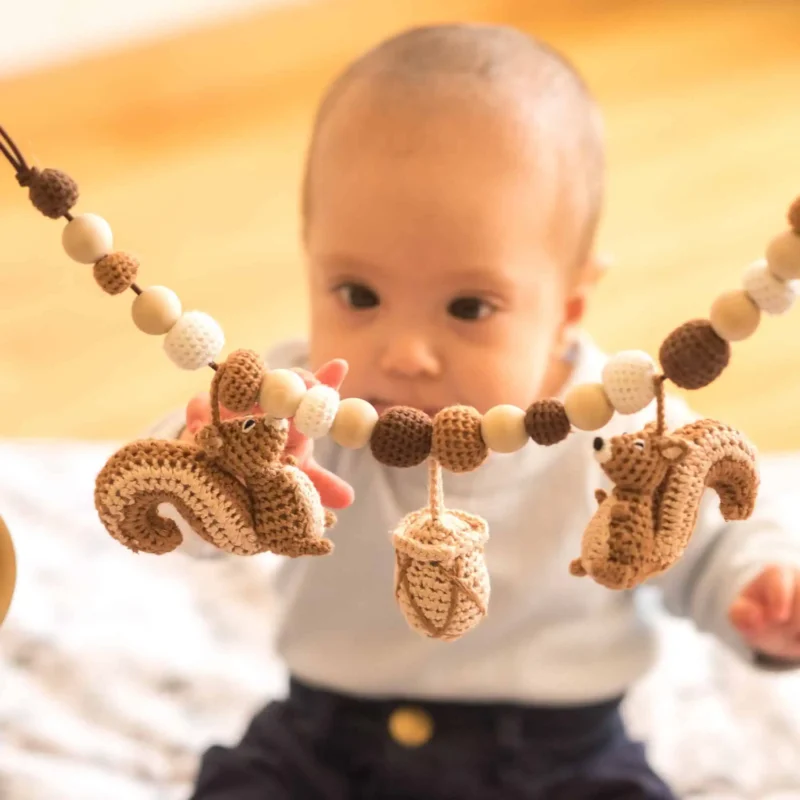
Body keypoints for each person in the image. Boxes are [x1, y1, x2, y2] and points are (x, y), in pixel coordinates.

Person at [150, 23, 800, 799]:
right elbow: (174, 514)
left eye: (468, 306)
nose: (404, 354)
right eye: (357, 295)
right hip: (328, 743)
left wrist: (759, 593)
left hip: (562, 758)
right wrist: (206, 468)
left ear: (568, 309)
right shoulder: (292, 408)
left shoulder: (625, 432)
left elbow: (707, 544)